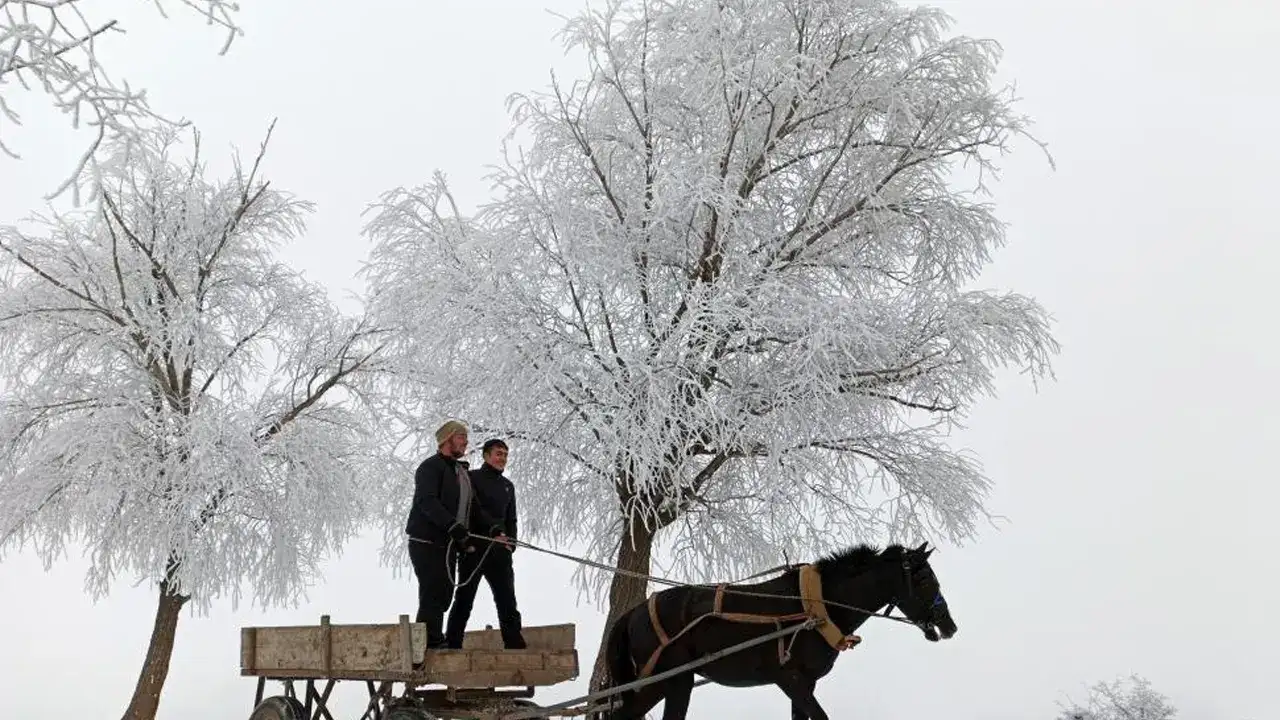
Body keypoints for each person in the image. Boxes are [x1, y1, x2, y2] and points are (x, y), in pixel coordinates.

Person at [405, 419, 500, 649]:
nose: (466, 442)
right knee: (433, 590)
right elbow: (427, 501)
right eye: (461, 437)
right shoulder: (430, 467)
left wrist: (494, 528)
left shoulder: (460, 473)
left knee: (445, 592)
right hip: (426, 541)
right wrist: (451, 525)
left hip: (448, 543)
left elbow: (473, 507)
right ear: (448, 439)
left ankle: (432, 639)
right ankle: (429, 644)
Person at [444, 438, 528, 650]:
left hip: (500, 552)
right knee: (464, 599)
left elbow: (512, 520)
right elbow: (473, 510)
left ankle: (514, 644)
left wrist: (511, 544)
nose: (503, 459)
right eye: (499, 454)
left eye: (505, 455)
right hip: (474, 548)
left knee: (507, 600)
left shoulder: (508, 486)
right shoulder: (471, 479)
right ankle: (453, 644)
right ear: (486, 455)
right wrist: (478, 538)